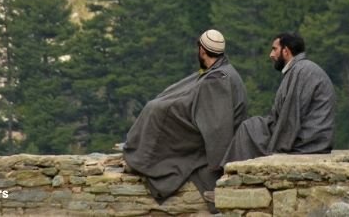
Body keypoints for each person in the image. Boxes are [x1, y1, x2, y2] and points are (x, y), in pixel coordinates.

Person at [123, 29, 248, 208]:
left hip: (203, 136)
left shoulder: (218, 78)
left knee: (156, 112)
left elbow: (215, 125)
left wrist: (218, 163)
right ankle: (140, 156)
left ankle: (142, 162)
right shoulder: (221, 70)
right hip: (201, 122)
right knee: (157, 105)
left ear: (202, 51)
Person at [221, 32, 335, 166]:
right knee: (252, 126)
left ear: (286, 51)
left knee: (248, 129)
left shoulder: (301, 71)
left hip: (308, 142)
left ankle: (229, 172)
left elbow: (290, 116)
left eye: (274, 49)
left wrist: (277, 149)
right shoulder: (300, 69)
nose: (271, 54)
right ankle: (231, 171)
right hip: (309, 138)